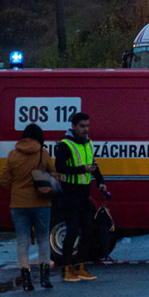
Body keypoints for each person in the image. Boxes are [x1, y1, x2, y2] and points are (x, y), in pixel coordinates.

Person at [0, 123, 59, 290]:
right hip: (41, 204)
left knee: (22, 241)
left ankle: (26, 279)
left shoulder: (12, 155)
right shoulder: (43, 153)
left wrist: (18, 189)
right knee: (42, 239)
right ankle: (45, 278)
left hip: (18, 205)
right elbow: (53, 173)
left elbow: (3, 180)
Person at [54, 112, 108, 283]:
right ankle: (67, 269)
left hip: (85, 194)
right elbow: (59, 167)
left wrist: (100, 182)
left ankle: (80, 266)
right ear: (74, 126)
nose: (86, 129)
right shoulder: (65, 145)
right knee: (71, 232)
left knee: (89, 230)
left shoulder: (88, 143)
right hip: (70, 195)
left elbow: (93, 165)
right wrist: (81, 169)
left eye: (87, 126)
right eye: (82, 126)